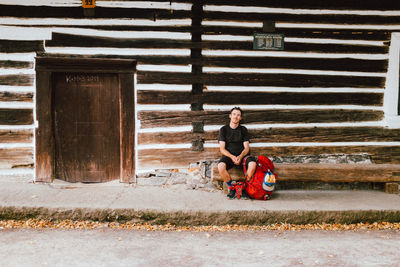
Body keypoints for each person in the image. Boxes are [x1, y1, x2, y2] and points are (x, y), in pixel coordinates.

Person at [217, 107, 257, 198]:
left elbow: (246, 148)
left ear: (240, 118)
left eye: (238, 115)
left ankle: (245, 187)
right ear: (230, 116)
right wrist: (232, 157)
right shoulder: (224, 129)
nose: (236, 116)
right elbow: (222, 149)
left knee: (252, 164)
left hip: (242, 156)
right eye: (234, 114)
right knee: (220, 166)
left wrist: (240, 156)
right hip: (229, 156)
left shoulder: (243, 129)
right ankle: (232, 188)